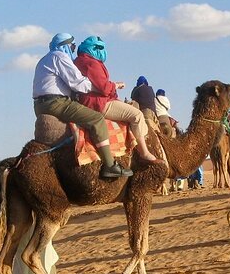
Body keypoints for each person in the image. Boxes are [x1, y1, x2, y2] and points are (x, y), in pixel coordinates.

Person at [33, 32, 132, 178]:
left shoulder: (44, 59)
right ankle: (110, 165)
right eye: (72, 46)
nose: (73, 49)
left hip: (39, 106)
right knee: (96, 119)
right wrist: (105, 86)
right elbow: (77, 83)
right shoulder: (59, 56)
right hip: (56, 102)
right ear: (65, 45)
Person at [74, 36, 160, 163]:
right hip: (98, 103)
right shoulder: (92, 63)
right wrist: (116, 85)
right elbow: (103, 88)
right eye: (100, 48)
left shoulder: (78, 61)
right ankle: (144, 153)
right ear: (94, 49)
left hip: (85, 102)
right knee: (137, 115)